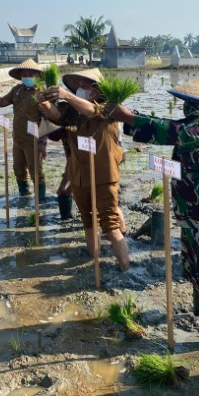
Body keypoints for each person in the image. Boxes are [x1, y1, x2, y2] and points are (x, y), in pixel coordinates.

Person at [108, 73, 199, 348]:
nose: (189, 108)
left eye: (193, 104)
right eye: (189, 103)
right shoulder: (197, 124)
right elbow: (169, 127)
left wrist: (128, 116)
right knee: (194, 268)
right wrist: (124, 118)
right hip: (191, 211)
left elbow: (172, 131)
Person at [38, 68, 129, 271]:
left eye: (85, 85)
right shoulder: (73, 113)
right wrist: (43, 100)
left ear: (96, 90)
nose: (81, 88)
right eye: (78, 84)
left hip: (104, 175)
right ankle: (93, 263)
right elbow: (55, 114)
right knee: (88, 222)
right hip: (79, 176)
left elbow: (93, 111)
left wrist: (67, 95)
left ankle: (125, 269)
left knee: (111, 225)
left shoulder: (110, 108)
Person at [0, 58, 47, 199]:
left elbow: (46, 120)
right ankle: (24, 196)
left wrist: (42, 143)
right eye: (24, 74)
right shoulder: (17, 90)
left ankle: (41, 202)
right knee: (18, 170)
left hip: (33, 140)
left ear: (36, 76)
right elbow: (1, 102)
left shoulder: (41, 93)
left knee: (36, 172)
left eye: (30, 74)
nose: (27, 77)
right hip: (18, 139)